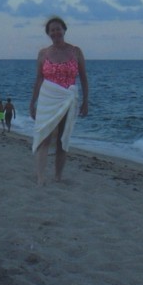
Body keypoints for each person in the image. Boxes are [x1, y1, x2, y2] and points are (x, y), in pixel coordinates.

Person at [29, 16, 89, 186]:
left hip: (68, 98)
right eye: (52, 30)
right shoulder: (43, 54)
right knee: (44, 136)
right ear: (48, 33)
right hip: (48, 98)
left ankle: (58, 176)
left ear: (64, 30)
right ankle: (41, 177)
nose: (55, 32)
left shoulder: (76, 51)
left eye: (58, 29)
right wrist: (32, 102)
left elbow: (84, 78)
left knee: (63, 139)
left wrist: (86, 101)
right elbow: (39, 79)